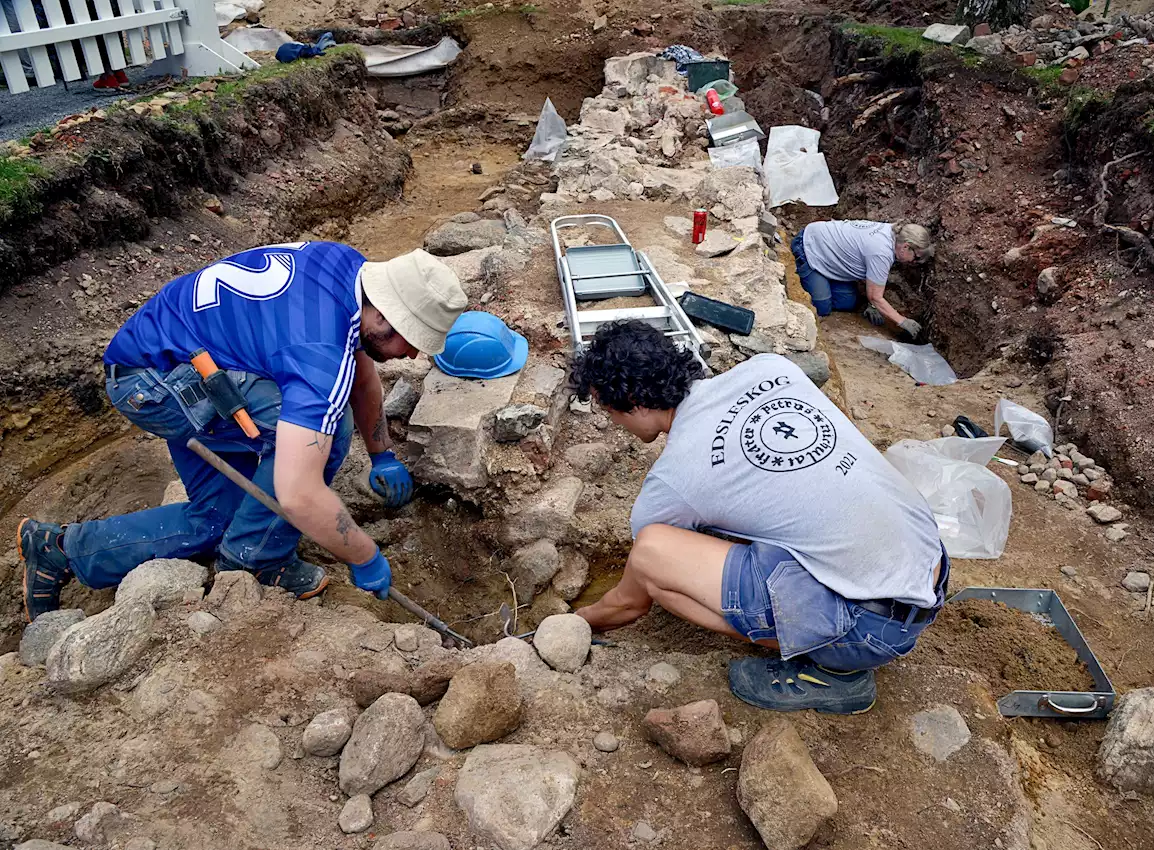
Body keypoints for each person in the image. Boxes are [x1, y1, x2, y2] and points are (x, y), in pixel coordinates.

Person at [18, 242, 467, 622]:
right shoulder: (318, 351)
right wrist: (364, 555)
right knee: (325, 436)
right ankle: (257, 558)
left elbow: (361, 371)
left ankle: (60, 549)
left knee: (219, 519)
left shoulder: (348, 271)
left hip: (175, 354)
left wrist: (383, 454)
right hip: (158, 384)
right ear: (384, 314)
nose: (411, 356)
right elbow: (297, 494)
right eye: (411, 340)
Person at [572, 321, 947, 714]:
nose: (613, 421)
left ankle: (834, 674)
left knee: (652, 560)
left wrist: (582, 621)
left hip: (874, 630)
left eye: (608, 408)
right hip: (929, 559)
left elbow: (631, 602)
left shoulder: (676, 480)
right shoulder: (770, 368)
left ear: (632, 400)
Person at [790, 220, 933, 341]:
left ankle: (826, 278)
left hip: (829, 251)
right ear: (906, 246)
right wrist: (902, 321)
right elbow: (875, 296)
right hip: (809, 247)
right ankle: (814, 277)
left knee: (847, 302)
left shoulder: (894, 232)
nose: (915, 262)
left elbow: (871, 272)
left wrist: (875, 304)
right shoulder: (881, 252)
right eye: (916, 257)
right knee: (822, 308)